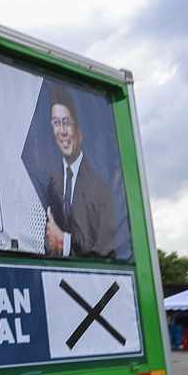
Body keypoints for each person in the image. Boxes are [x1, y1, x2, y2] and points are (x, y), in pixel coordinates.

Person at [44, 83, 116, 259]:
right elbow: (49, 238)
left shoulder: (98, 184)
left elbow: (108, 248)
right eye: (56, 123)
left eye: (66, 123)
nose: (61, 132)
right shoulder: (53, 181)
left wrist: (66, 245)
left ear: (79, 133)